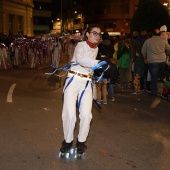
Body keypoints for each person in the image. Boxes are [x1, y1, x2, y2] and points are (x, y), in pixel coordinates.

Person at [59, 24, 102, 158]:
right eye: (94, 33)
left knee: (86, 115)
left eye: (99, 34)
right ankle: (68, 141)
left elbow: (90, 63)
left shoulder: (96, 48)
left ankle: (81, 142)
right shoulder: (81, 45)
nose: (97, 36)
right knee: (70, 114)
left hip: (86, 83)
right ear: (87, 34)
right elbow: (82, 60)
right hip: (73, 80)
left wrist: (100, 64)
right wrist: (100, 62)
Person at [141, 27, 170, 96]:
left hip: (152, 61)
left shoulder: (148, 41)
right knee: (164, 75)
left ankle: (154, 91)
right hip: (162, 61)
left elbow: (143, 51)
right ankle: (165, 90)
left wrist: (145, 59)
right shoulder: (163, 41)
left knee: (153, 77)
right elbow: (169, 49)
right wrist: (166, 55)